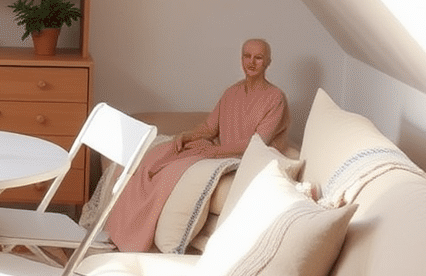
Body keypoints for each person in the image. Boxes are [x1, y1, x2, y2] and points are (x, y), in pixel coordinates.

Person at [105, 38, 289, 253]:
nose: (251, 62)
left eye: (258, 58)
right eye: (246, 56)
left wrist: (215, 150)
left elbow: (258, 142)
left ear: (268, 62)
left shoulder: (275, 98)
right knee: (156, 158)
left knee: (173, 172)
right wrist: (187, 136)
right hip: (218, 151)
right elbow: (211, 128)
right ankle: (121, 228)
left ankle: (139, 237)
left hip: (242, 158)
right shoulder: (232, 92)